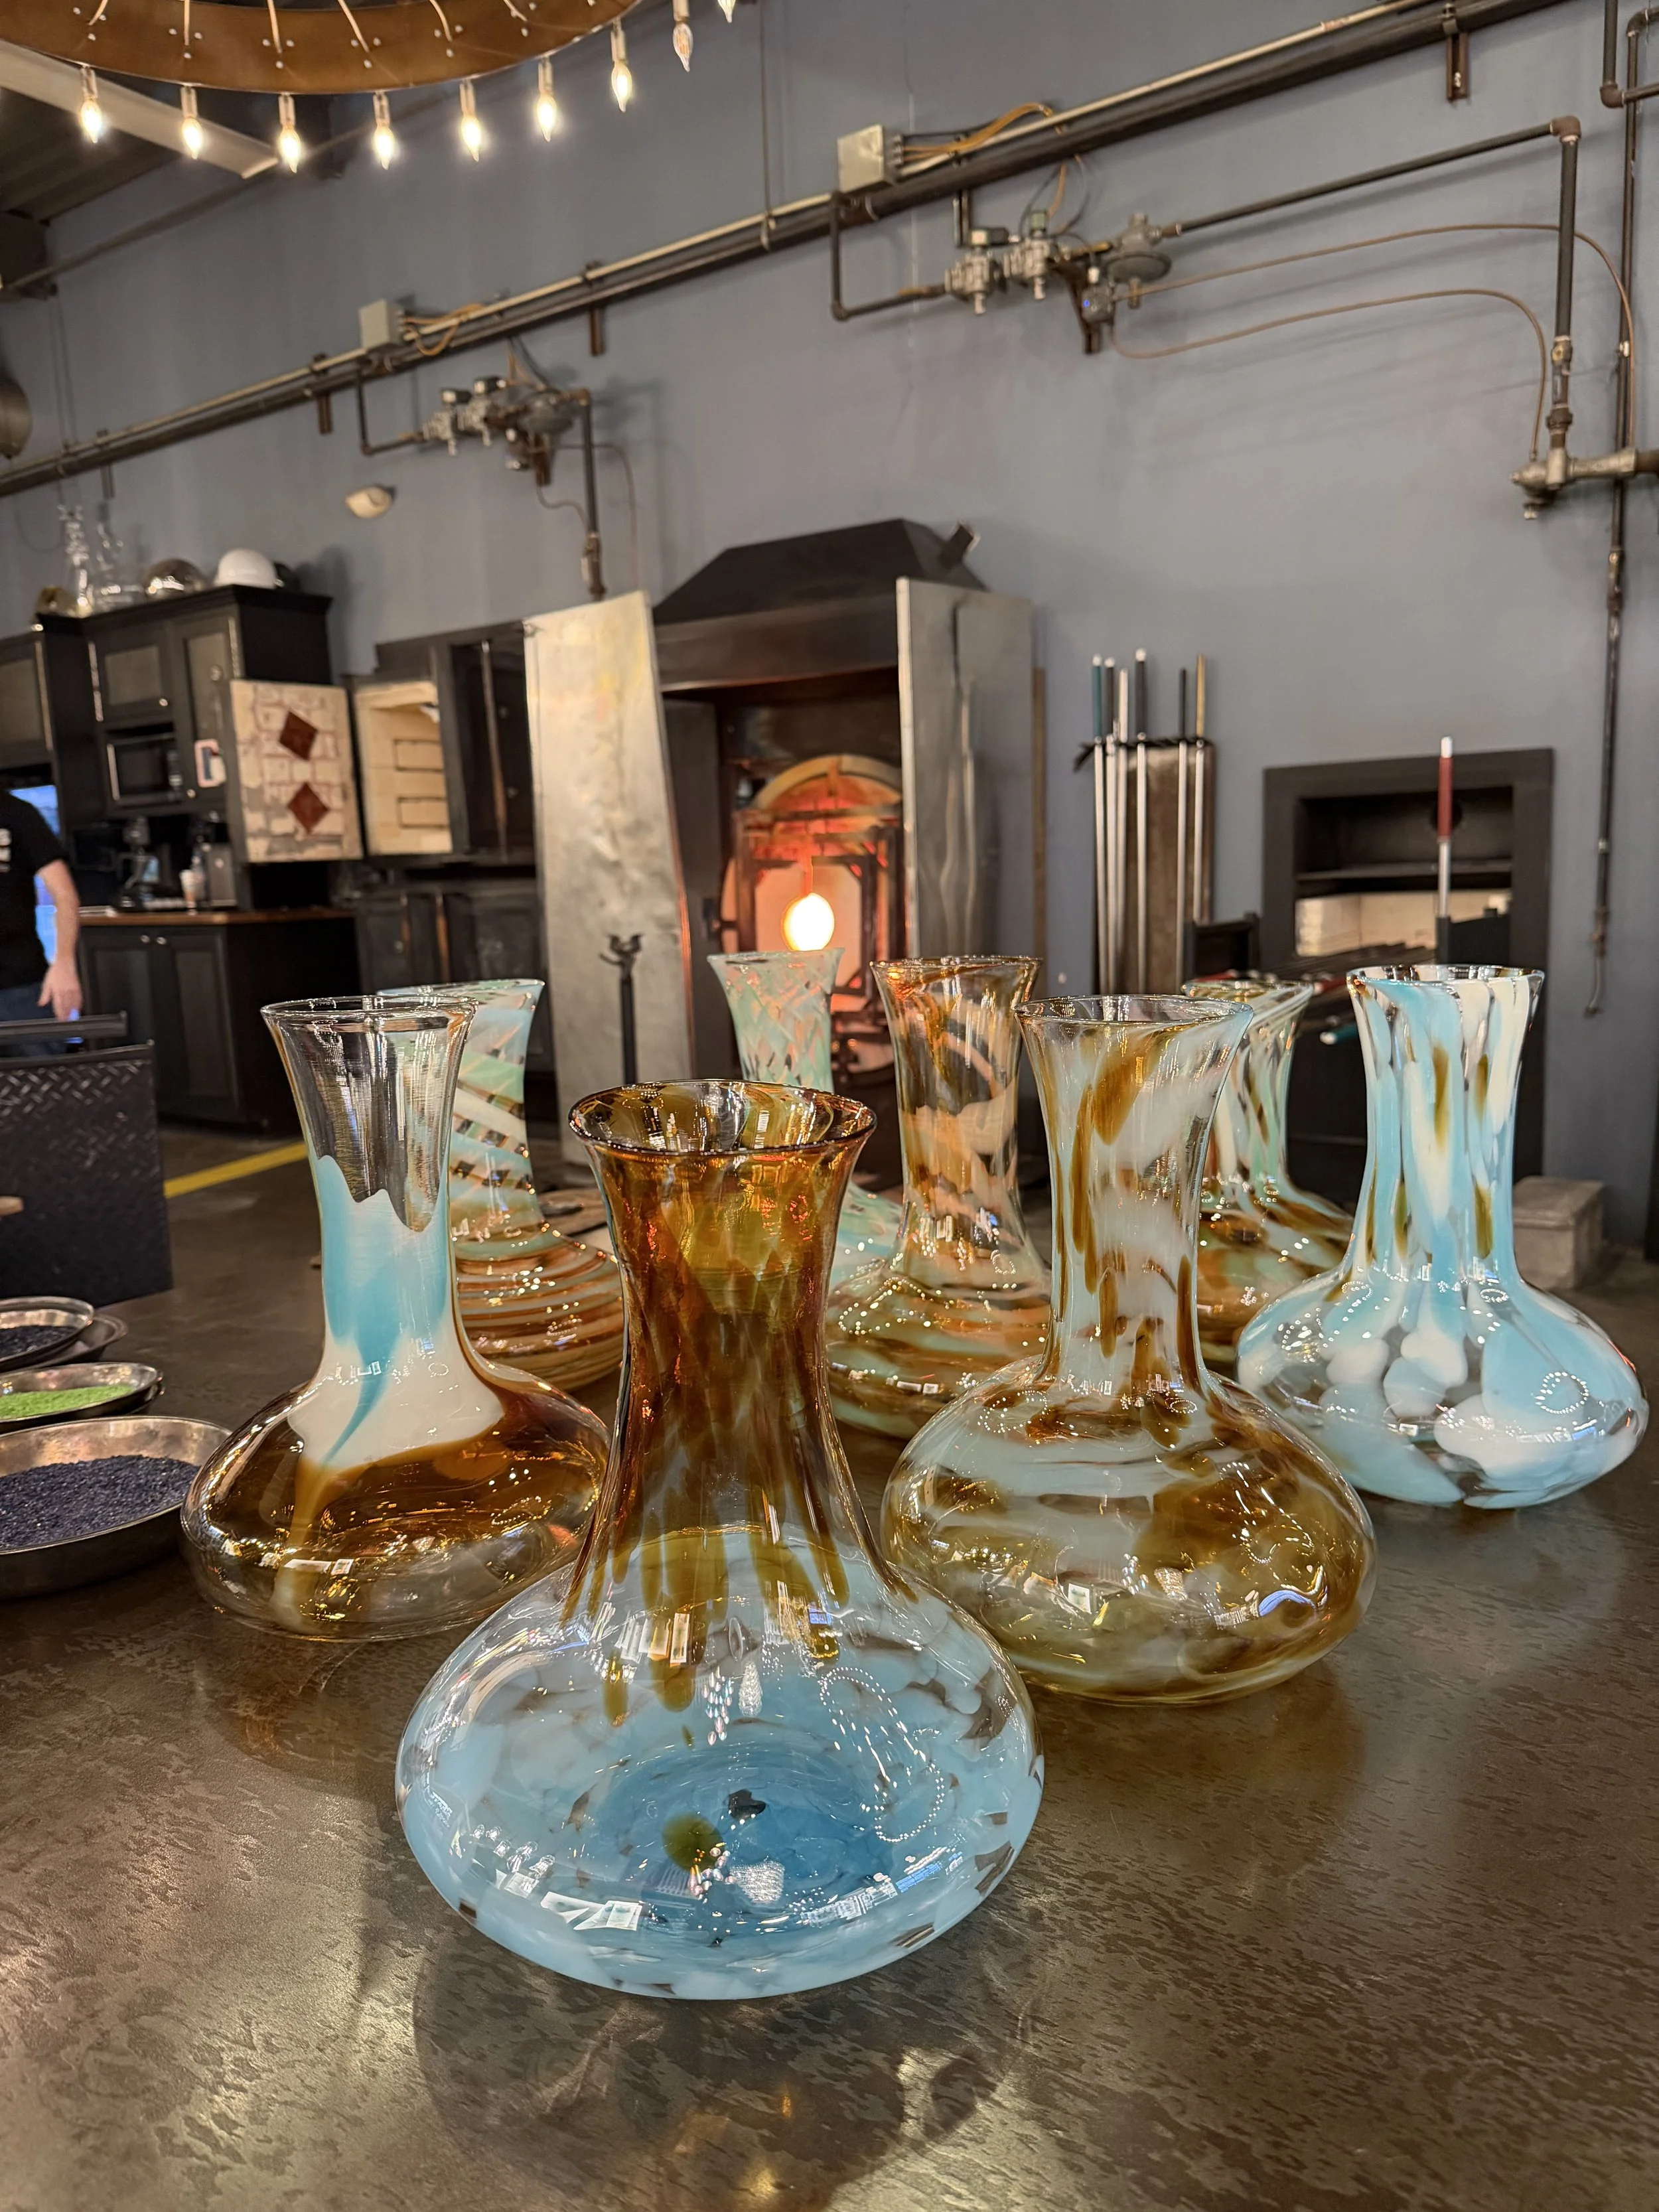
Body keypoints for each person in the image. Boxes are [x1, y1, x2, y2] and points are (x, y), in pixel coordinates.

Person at [0, 788, 80, 1057]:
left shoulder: (16, 813)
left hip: (21, 988)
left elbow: (65, 894)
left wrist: (64, 964)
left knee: (45, 1091)